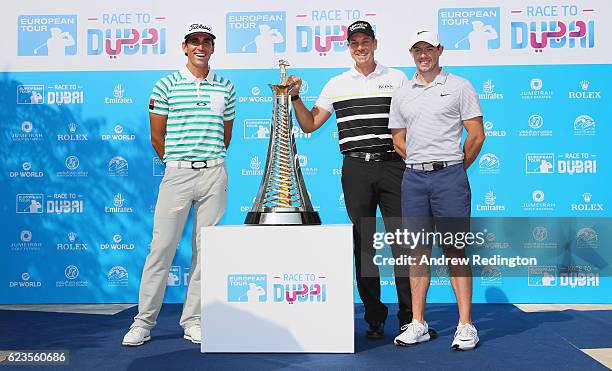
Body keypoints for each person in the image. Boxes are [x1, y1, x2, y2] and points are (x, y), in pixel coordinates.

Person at [287, 20, 420, 339]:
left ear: (375, 43)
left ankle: (407, 317)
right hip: (356, 169)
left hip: (393, 166)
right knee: (364, 244)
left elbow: (413, 119)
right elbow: (309, 125)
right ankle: (374, 317)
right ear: (349, 47)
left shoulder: (397, 77)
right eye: (354, 43)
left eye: (365, 41)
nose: (360, 47)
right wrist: (294, 98)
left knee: (401, 243)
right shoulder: (336, 83)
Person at [122, 22, 236, 346]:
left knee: (206, 252)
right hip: (178, 175)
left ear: (212, 48)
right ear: (184, 47)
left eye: (206, 42)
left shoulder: (225, 87)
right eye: (194, 42)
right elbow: (157, 137)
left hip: (214, 173)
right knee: (161, 249)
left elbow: (224, 135)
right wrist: (179, 163)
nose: (200, 47)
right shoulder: (166, 85)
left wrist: (206, 159)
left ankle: (194, 320)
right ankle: (143, 322)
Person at [389, 29, 485, 350]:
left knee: (455, 249)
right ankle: (417, 322)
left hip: (450, 178)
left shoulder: (459, 86)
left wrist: (454, 168)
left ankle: (466, 325)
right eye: (417, 49)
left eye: (428, 48)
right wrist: (422, 162)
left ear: (439, 50)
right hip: (414, 180)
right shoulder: (402, 92)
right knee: (417, 251)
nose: (423, 55)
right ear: (412, 53)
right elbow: (398, 139)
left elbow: (476, 135)